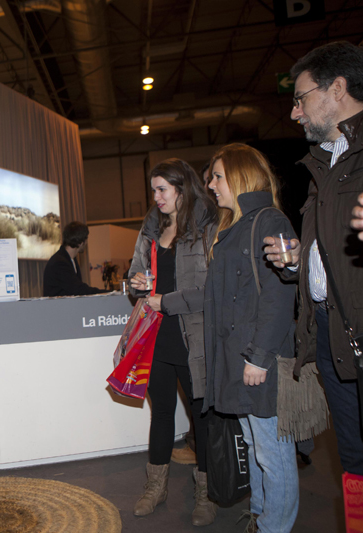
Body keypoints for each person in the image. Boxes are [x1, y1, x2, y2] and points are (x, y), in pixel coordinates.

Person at [263, 41, 363, 479]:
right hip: (335, 337)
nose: (295, 112)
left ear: (337, 88)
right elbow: (335, 248)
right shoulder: (323, 163)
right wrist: (299, 263)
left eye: (300, 98)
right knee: (359, 467)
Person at [204, 144, 299, 533]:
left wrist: (259, 357)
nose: (211, 184)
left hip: (259, 362)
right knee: (259, 450)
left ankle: (274, 526)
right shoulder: (231, 227)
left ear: (241, 177)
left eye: (218, 176)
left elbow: (279, 297)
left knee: (273, 453)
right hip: (238, 361)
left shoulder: (269, 221)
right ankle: (261, 518)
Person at [127, 158, 218, 525]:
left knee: (202, 417)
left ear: (182, 188)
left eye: (162, 189)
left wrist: (167, 301)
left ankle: (206, 492)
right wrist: (135, 284)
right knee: (161, 412)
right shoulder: (151, 229)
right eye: (154, 189)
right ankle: (156, 487)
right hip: (156, 336)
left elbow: (212, 288)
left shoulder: (207, 228)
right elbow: (136, 273)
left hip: (194, 336)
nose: (156, 196)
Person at [43, 221, 108, 296]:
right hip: (59, 307)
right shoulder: (59, 262)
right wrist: (108, 293)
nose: (86, 243)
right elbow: (78, 289)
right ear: (80, 243)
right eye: (86, 239)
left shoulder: (70, 259)